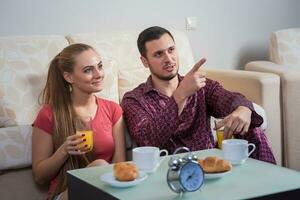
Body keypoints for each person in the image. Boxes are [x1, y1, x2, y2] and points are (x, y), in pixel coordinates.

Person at [121, 26, 275, 164]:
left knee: (253, 128)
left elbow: (229, 98)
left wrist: (244, 108)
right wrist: (181, 94)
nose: (169, 59)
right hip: (169, 171)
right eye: (158, 54)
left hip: (209, 164)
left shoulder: (200, 86)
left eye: (171, 50)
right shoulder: (134, 99)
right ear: (145, 61)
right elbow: (148, 140)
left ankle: (272, 188)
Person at [32, 43, 126, 200]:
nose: (99, 74)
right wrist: (64, 150)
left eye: (100, 66)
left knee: (102, 168)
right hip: (65, 193)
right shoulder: (49, 114)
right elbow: (40, 176)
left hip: (107, 192)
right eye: (88, 70)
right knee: (100, 166)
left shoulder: (113, 109)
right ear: (68, 77)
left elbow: (119, 166)